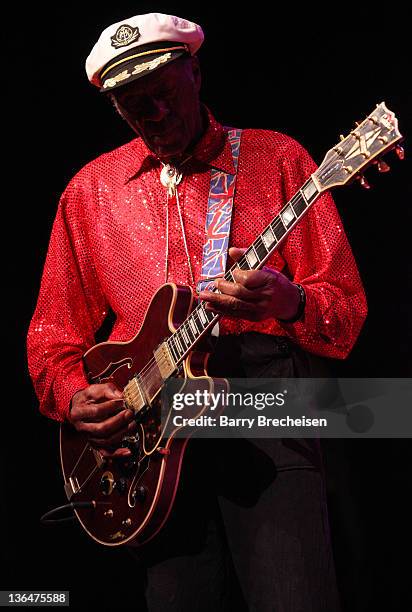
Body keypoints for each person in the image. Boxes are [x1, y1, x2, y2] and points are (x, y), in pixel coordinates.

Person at [27, 12, 367, 611]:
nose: (154, 118)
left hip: (264, 403)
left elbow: (347, 312)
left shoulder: (278, 158)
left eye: (162, 96)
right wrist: (72, 393)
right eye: (134, 109)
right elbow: (53, 331)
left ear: (197, 73)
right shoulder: (90, 191)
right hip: (151, 435)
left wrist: (290, 301)